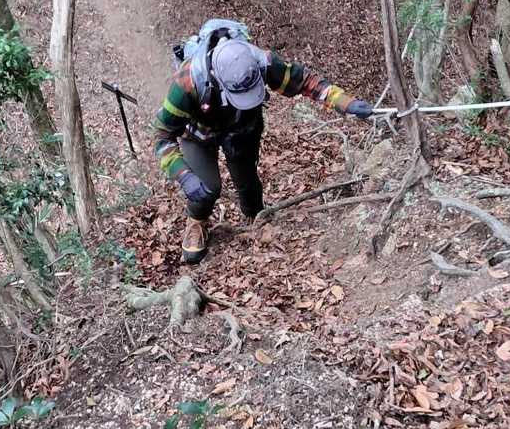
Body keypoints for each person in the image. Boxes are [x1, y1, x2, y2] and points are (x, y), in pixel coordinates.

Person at [152, 18, 376, 264]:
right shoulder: (187, 82)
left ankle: (255, 215)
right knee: (206, 188)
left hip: (242, 128)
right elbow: (162, 135)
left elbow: (304, 81)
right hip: (198, 135)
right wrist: (183, 175)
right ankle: (197, 221)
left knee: (247, 181)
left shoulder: (261, 62)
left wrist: (346, 103)